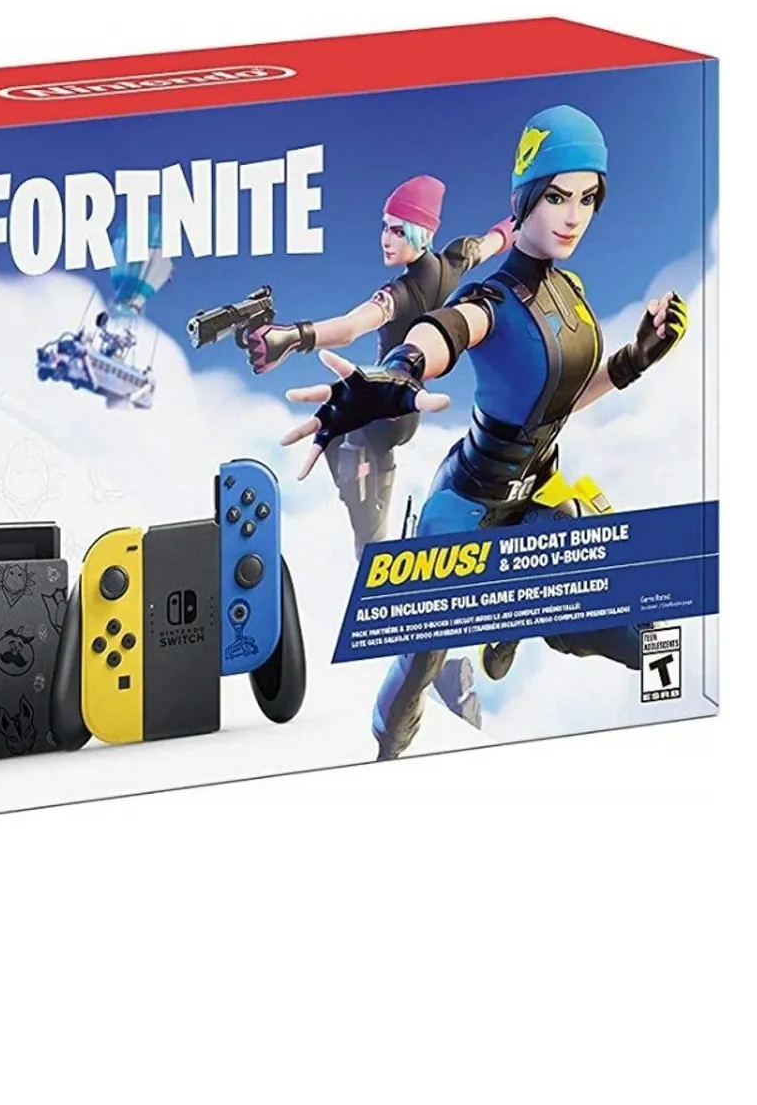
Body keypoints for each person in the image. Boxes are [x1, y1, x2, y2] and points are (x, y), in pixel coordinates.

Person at [281, 106, 689, 759]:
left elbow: (557, 403)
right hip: (465, 505)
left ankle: (513, 620)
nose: (573, 215)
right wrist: (398, 372)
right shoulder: (493, 299)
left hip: (539, 499)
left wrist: (634, 359)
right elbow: (447, 328)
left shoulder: (572, 291)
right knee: (420, 662)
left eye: (587, 198)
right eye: (556, 195)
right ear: (526, 195)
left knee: (637, 629)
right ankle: (385, 756)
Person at [246, 174, 511, 555]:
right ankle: (375, 516)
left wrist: (293, 336)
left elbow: (349, 328)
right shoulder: (454, 262)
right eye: (385, 227)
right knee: (340, 438)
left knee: (361, 512)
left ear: (422, 234)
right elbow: (494, 240)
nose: (386, 239)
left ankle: (373, 530)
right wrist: (521, 221)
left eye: (399, 231)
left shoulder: (400, 293)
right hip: (399, 408)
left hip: (385, 413)